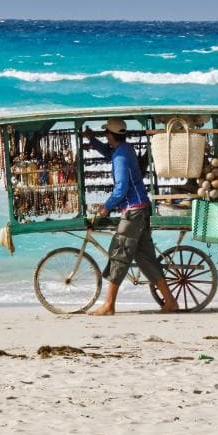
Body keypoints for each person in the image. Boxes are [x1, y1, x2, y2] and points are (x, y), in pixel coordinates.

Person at [84, 118, 179, 315]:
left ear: (110, 135)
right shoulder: (125, 149)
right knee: (146, 259)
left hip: (133, 212)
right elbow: (109, 153)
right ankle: (170, 302)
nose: (105, 137)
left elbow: (121, 189)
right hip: (141, 208)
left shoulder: (121, 157)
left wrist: (106, 207)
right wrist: (93, 141)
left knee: (119, 255)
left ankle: (109, 305)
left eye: (105, 134)